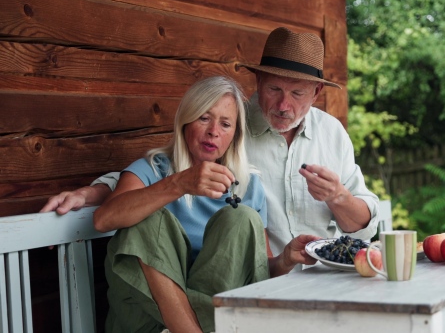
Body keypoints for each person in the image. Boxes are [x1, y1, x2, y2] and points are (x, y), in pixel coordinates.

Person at [41, 27, 379, 268]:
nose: (283, 104)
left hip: (325, 272)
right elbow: (169, 166)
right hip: (256, 280)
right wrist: (94, 191)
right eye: (274, 88)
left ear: (317, 92)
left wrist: (338, 197)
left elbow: (364, 222)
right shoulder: (231, 122)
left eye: (298, 94)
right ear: (258, 81)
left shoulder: (332, 133)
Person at [93, 76, 318, 333]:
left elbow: (258, 270)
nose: (214, 131)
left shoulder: (247, 184)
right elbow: (104, 219)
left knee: (240, 217)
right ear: (186, 120)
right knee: (147, 217)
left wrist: (286, 259)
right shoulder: (152, 169)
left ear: (235, 135)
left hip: (214, 320)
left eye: (225, 124)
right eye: (204, 118)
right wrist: (179, 184)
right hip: (151, 320)